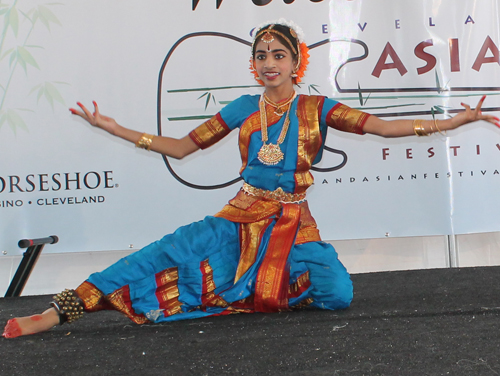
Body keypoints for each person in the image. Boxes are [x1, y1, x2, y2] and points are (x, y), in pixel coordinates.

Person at [3, 19, 499, 339]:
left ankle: (247, 287)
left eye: (277, 55)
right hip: (242, 213)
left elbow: (385, 128)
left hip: (293, 223)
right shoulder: (243, 108)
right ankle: (59, 311)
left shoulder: (317, 108)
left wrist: (456, 121)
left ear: (296, 61)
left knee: (337, 293)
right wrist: (117, 130)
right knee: (161, 254)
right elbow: (180, 147)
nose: (268, 64)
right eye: (261, 55)